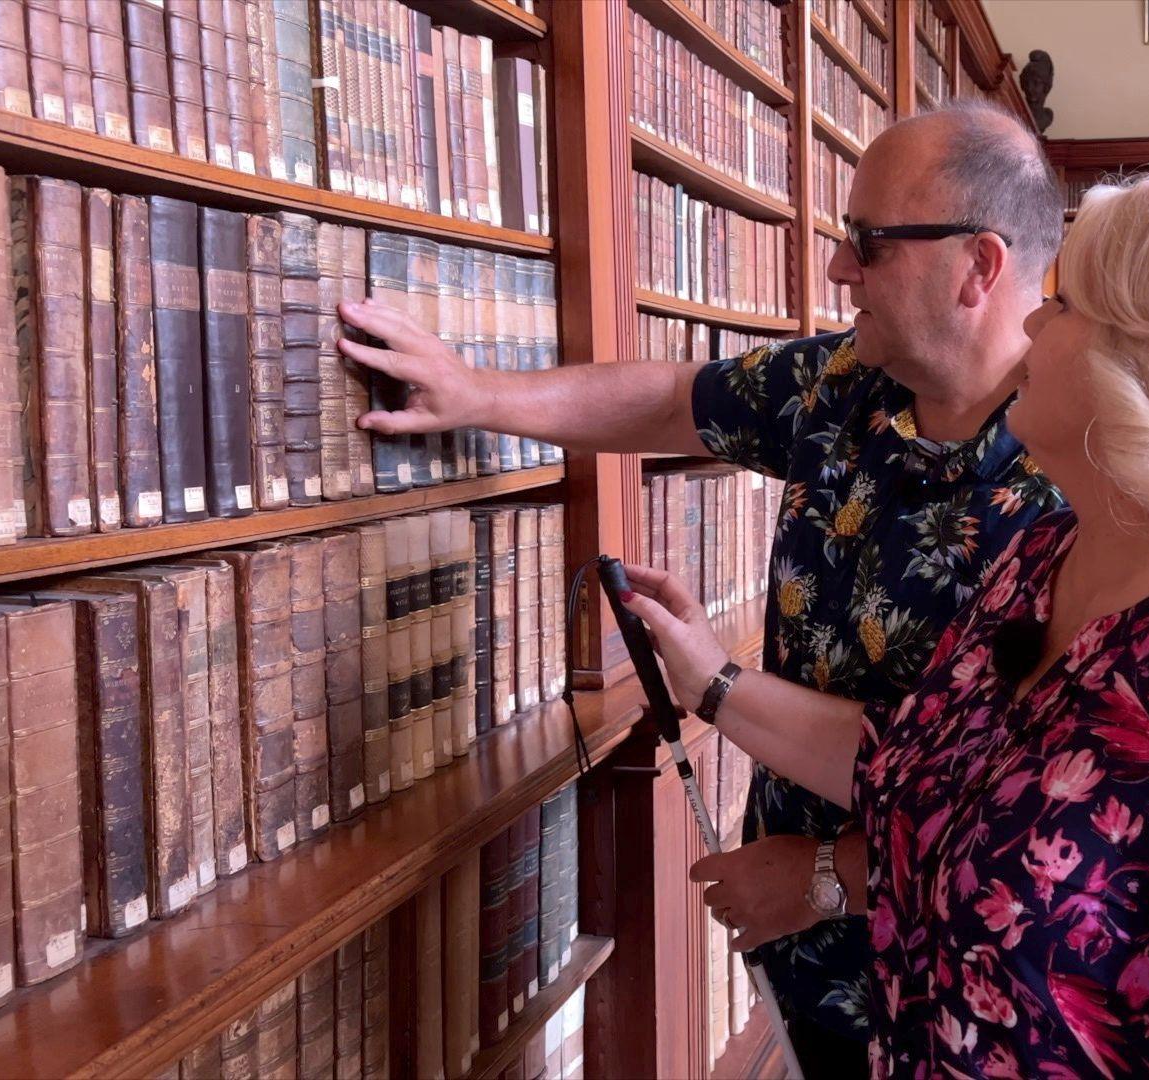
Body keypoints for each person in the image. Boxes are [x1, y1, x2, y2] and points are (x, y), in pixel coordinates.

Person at [620, 156, 1149, 1076]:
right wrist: (713, 681)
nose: (1031, 321)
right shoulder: (1039, 564)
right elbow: (907, 776)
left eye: (1063, 303)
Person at [336, 101, 1064, 1074]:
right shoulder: (850, 382)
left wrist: (814, 865)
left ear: (978, 266)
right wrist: (481, 396)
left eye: (867, 243)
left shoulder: (1075, 475)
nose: (841, 270)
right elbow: (680, 400)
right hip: (802, 961)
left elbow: (1017, 791)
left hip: (956, 987)